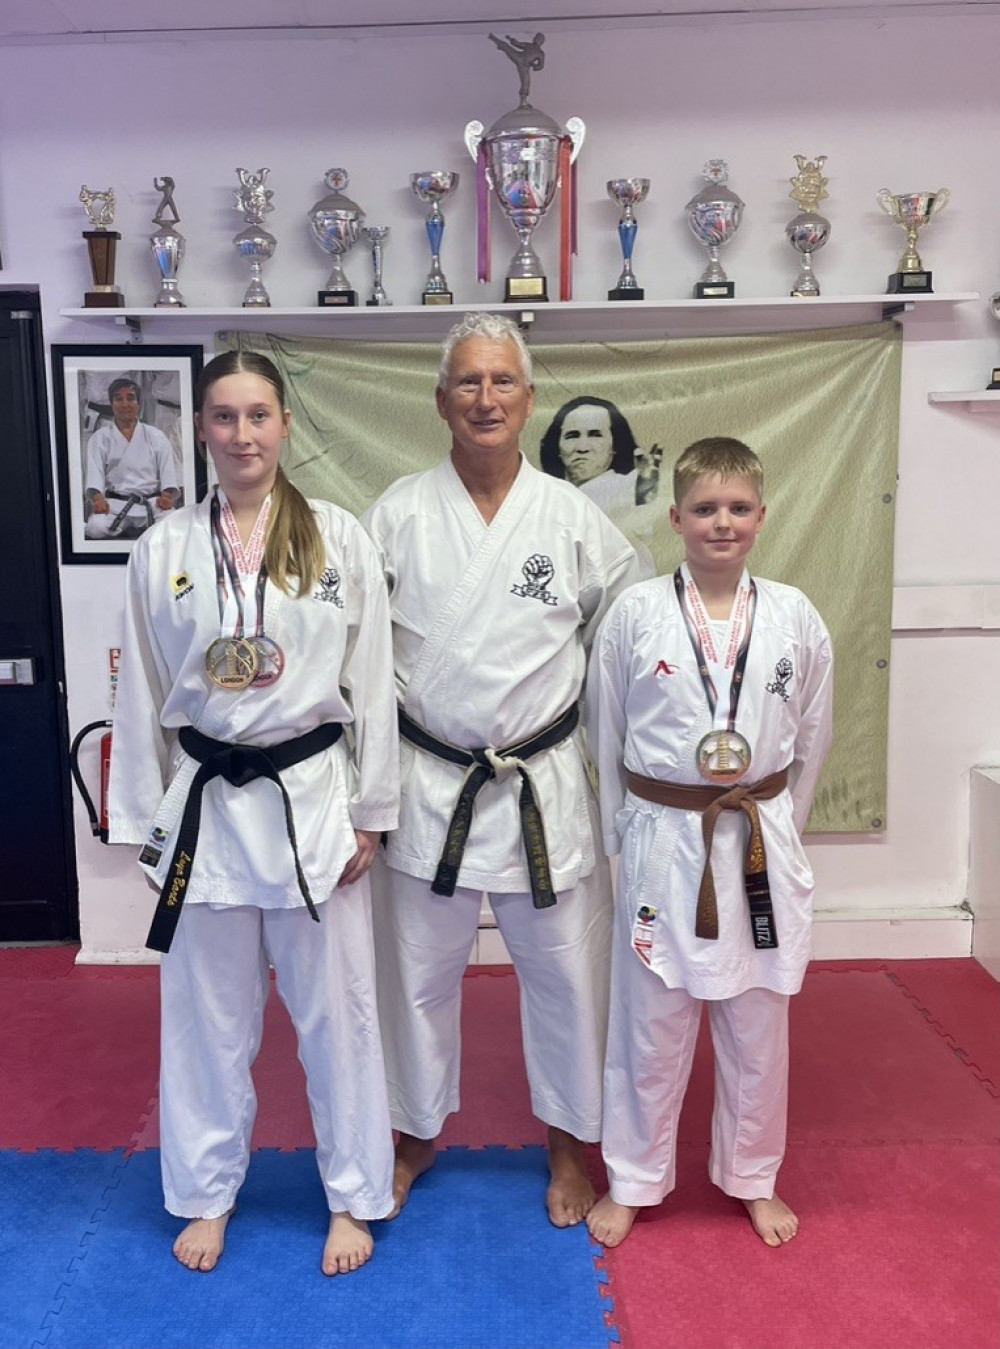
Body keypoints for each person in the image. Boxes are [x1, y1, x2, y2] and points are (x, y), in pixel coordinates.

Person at [107, 350, 399, 1276]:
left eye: (259, 415)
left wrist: (372, 811)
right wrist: (145, 825)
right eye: (225, 417)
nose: (242, 434)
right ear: (200, 428)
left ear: (284, 425)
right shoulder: (162, 550)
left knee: (340, 1015)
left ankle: (354, 1195)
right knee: (204, 1016)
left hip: (311, 803)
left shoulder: (340, 539)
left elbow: (373, 683)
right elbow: (143, 691)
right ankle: (205, 1192)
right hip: (202, 807)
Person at [362, 313, 640, 1228]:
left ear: (529, 401)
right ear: (440, 400)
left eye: (504, 383)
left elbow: (620, 643)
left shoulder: (571, 517)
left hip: (539, 784)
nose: (486, 398)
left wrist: (617, 777)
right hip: (428, 783)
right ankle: (413, 1129)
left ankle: (567, 1140)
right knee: (413, 974)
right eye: (469, 383)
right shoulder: (397, 512)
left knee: (565, 972)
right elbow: (361, 659)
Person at [585, 436, 833, 1249]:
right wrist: (630, 833)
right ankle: (634, 1178)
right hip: (664, 836)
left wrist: (778, 827)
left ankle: (754, 1176)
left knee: (757, 1025)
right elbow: (606, 734)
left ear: (761, 515)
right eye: (704, 508)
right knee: (650, 1022)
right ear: (676, 517)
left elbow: (812, 738)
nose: (720, 523)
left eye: (736, 508)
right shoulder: (636, 612)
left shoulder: (795, 614)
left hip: (755, 832)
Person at [539, 396, 663, 576]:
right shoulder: (546, 496)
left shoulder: (623, 486)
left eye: (595, 435)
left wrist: (644, 488)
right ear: (557, 446)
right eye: (572, 436)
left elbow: (640, 508)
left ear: (615, 444)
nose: (582, 447)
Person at [84, 376, 180, 539]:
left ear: (139, 404)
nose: (125, 404)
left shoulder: (156, 436)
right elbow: (95, 474)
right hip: (115, 504)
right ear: (111, 404)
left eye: (130, 398)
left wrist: (166, 495)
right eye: (118, 399)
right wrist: (98, 497)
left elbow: (167, 471)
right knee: (95, 528)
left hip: (150, 503)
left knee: (174, 526)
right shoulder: (100, 438)